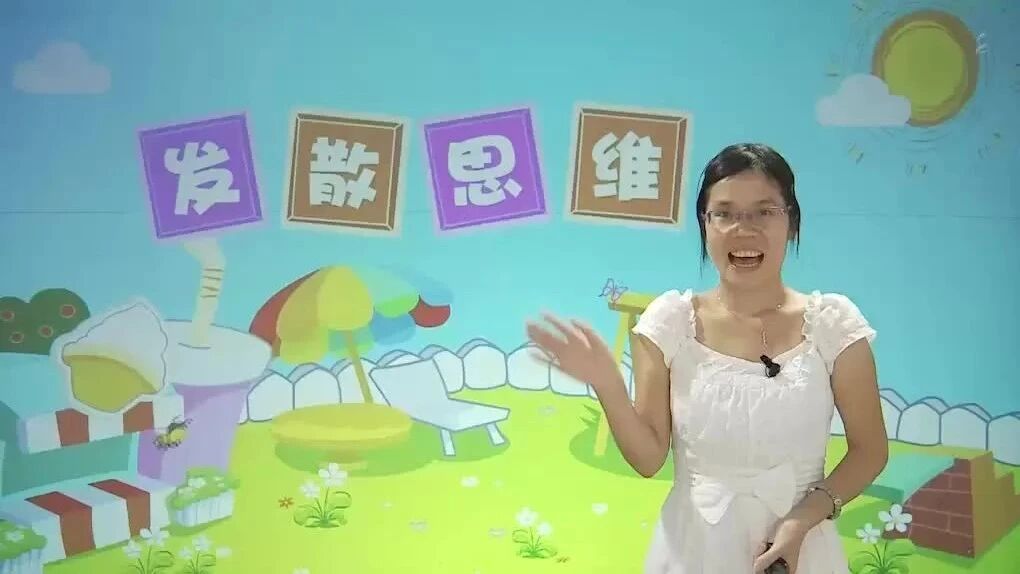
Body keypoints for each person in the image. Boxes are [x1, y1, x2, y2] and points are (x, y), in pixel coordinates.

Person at [526, 143, 889, 573]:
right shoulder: (670, 322)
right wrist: (607, 383)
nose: (744, 229)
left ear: (791, 221)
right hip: (692, 548)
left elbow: (870, 450)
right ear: (705, 223)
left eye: (764, 212)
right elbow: (648, 459)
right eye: (725, 213)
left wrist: (800, 520)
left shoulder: (833, 324)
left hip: (802, 550)